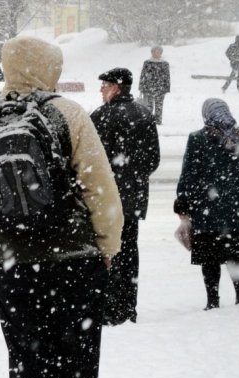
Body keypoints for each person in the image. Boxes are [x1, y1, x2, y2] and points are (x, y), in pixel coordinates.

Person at [0, 36, 123, 378]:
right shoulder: (69, 114)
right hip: (75, 262)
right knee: (77, 360)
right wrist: (107, 247)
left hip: (14, 267)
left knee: (26, 361)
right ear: (50, 67)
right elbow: (100, 191)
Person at [91, 67, 160, 326]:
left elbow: (90, 160)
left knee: (106, 252)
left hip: (106, 199)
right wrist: (134, 178)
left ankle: (109, 308)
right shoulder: (144, 114)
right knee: (129, 251)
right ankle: (128, 306)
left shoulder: (100, 117)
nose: (101, 90)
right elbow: (153, 159)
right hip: (133, 199)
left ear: (116, 87)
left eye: (105, 85)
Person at [175, 98, 239, 310]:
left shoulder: (198, 138)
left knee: (210, 257)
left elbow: (189, 173)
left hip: (207, 210)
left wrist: (183, 199)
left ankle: (212, 300)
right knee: (237, 254)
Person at [139, 46, 171, 124]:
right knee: (148, 106)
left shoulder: (165, 63)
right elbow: (143, 75)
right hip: (148, 88)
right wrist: (141, 87)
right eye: (155, 51)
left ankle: (158, 121)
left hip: (160, 88)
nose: (157, 53)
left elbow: (167, 76)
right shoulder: (147, 63)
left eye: (159, 51)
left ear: (161, 53)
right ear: (152, 52)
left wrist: (167, 88)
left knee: (159, 106)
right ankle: (148, 121)